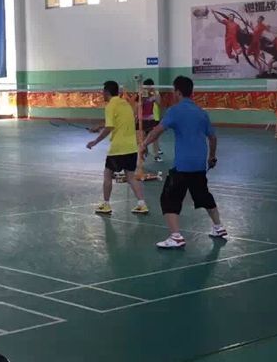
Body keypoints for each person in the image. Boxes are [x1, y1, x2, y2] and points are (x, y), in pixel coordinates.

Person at [141, 75, 226, 249]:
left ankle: (176, 237)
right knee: (203, 196)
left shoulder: (175, 111)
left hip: (182, 165)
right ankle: (218, 227)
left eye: (174, 91)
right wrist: (212, 157)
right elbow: (212, 137)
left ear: (178, 92)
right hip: (199, 164)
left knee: (169, 198)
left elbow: (157, 131)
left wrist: (143, 145)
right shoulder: (201, 112)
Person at [86, 80, 148, 215]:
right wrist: (99, 126)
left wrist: (95, 141)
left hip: (118, 149)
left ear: (107, 92)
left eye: (103, 91)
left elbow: (110, 127)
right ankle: (142, 204)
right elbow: (117, 121)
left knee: (107, 174)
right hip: (131, 147)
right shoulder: (125, 104)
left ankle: (106, 204)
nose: (102, 94)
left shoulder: (110, 106)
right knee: (131, 177)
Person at [139, 78, 163, 163]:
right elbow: (139, 105)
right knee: (142, 138)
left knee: (154, 137)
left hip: (152, 119)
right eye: (145, 87)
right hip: (142, 119)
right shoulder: (142, 94)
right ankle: (144, 152)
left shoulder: (155, 94)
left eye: (149, 87)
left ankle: (156, 155)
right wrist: (143, 97)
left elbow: (159, 103)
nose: (147, 89)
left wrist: (154, 94)